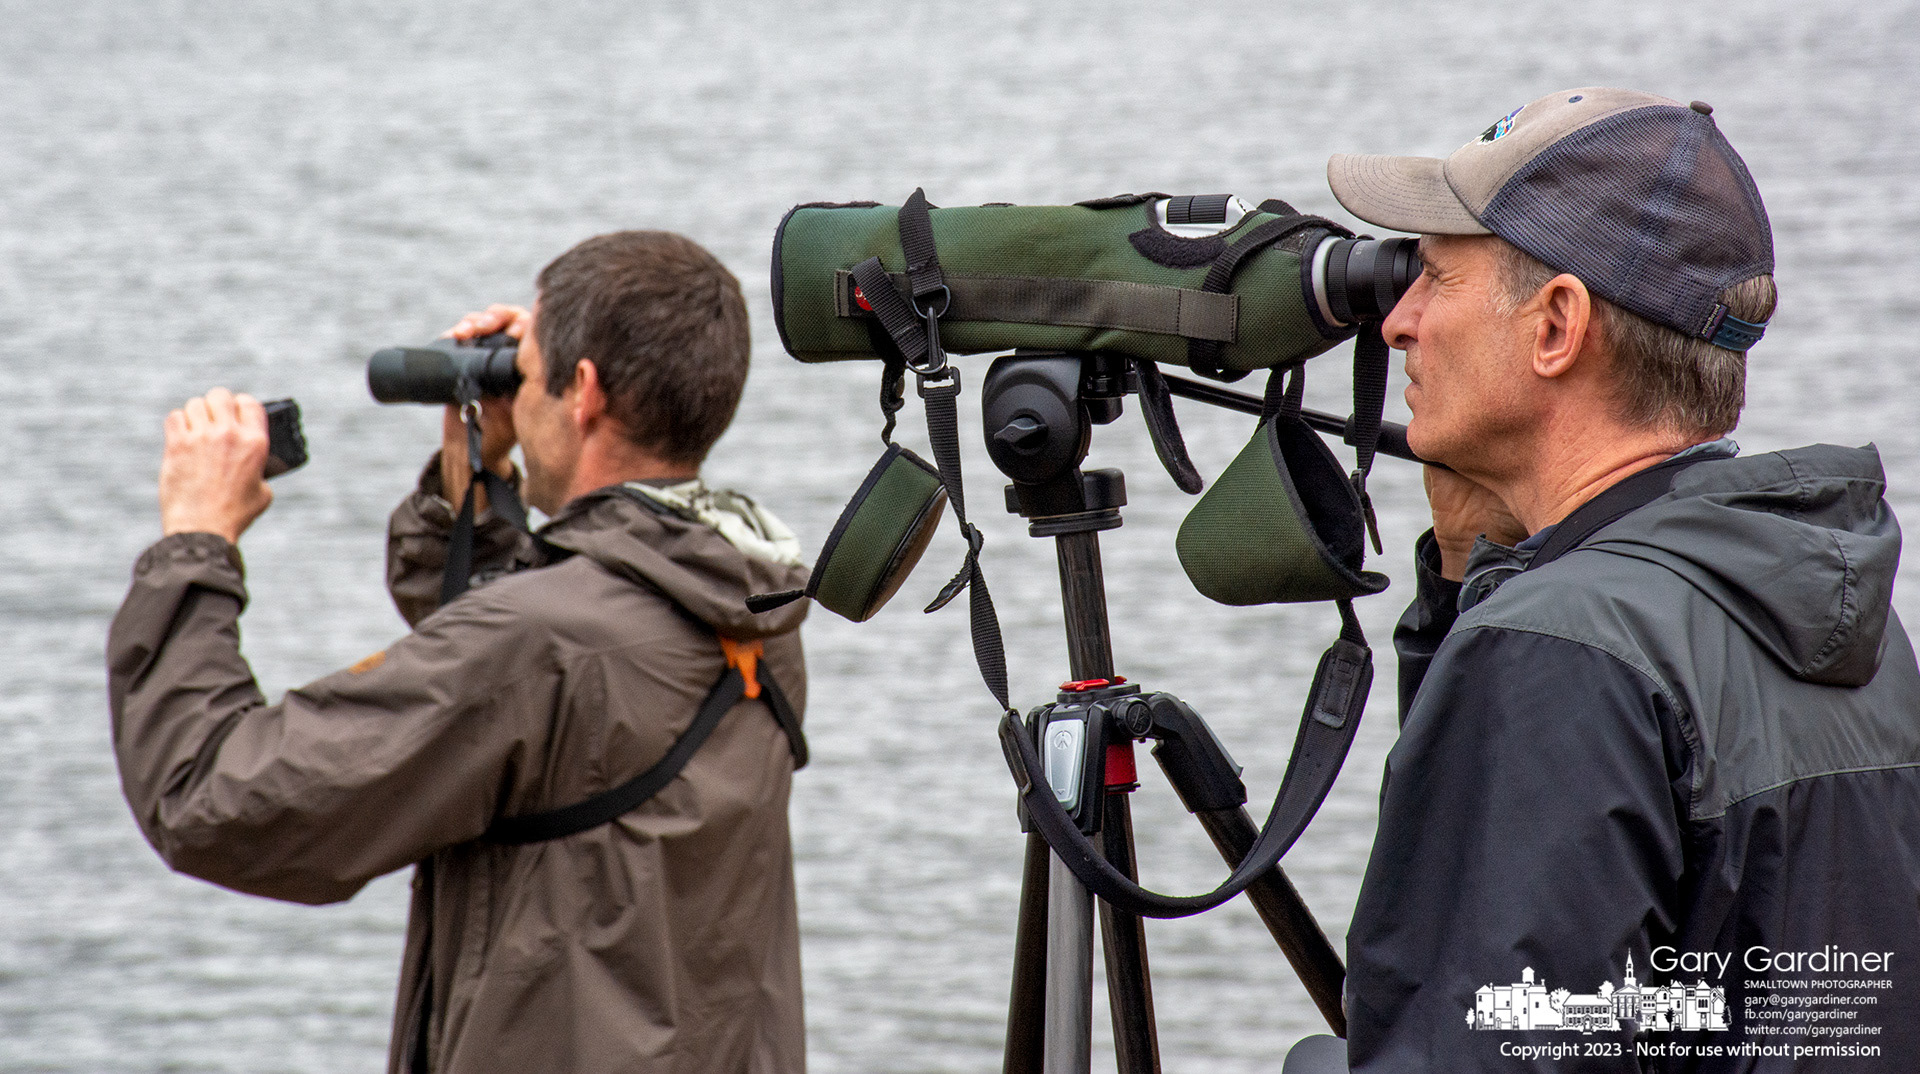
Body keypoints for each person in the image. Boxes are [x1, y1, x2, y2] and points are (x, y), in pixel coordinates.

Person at [1301, 88, 1920, 1071]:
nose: (1398, 324)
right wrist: (1471, 577)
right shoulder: (1837, 611)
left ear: (1556, 326)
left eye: (1435, 278)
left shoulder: (1562, 650)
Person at [106, 230, 813, 1074]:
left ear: (581, 391)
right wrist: (468, 474)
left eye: (531, 363)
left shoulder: (541, 646)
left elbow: (210, 798)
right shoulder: (752, 604)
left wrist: (196, 541)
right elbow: (524, 692)